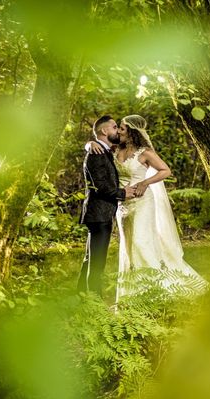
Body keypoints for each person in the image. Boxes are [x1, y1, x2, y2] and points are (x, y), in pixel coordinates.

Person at [89, 114, 207, 301]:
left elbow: (166, 170)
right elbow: (97, 147)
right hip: (122, 206)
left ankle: (153, 292)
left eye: (122, 128)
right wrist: (88, 144)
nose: (118, 130)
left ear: (132, 132)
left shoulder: (144, 152)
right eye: (117, 127)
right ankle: (132, 294)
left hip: (143, 202)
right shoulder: (114, 149)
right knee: (128, 247)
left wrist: (145, 183)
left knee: (141, 242)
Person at [78, 115, 135, 297]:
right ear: (104, 131)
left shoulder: (103, 150)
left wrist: (89, 142)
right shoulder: (96, 154)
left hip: (100, 213)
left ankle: (81, 296)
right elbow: (102, 187)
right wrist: (123, 193)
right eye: (114, 127)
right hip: (99, 214)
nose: (117, 130)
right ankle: (95, 304)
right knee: (97, 263)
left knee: (90, 259)